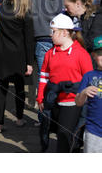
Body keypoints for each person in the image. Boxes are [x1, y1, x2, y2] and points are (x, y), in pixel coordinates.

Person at [37, 13, 93, 152]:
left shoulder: (81, 54)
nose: (50, 35)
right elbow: (44, 77)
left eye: (53, 31)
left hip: (73, 101)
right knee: (54, 131)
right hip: (54, 100)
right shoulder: (50, 53)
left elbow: (90, 79)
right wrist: (40, 98)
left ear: (64, 33)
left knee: (64, 133)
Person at [0, 0, 34, 133]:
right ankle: (19, 118)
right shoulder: (25, 13)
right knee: (19, 89)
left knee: (2, 90)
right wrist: (29, 62)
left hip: (2, 54)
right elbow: (29, 40)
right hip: (18, 56)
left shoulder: (2, 7)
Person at [32, 0, 65, 85]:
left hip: (41, 38)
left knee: (43, 74)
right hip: (60, 40)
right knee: (59, 75)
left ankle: (41, 100)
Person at [75, 35, 102, 153]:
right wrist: (84, 92)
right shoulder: (89, 76)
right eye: (100, 53)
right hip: (93, 131)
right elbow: (78, 102)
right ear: (94, 55)